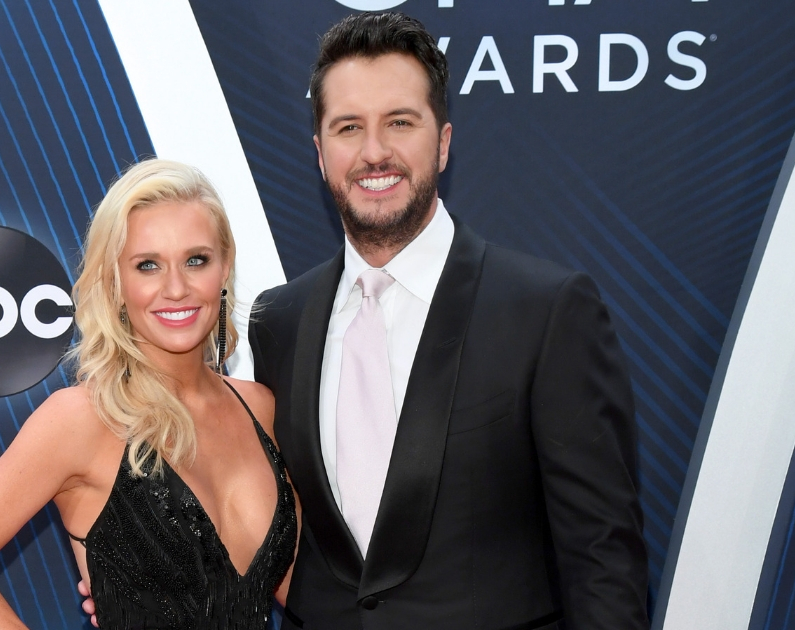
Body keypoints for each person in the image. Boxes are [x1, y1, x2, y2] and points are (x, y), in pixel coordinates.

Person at [246, 12, 651, 630]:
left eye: (400, 122)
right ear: (320, 153)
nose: (374, 150)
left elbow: (603, 560)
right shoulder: (279, 320)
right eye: (349, 127)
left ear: (442, 141)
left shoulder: (546, 311)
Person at [0, 159, 298, 630]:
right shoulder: (83, 419)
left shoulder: (261, 407)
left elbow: (303, 589)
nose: (176, 287)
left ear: (224, 271)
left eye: (196, 260)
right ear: (115, 283)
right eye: (147, 265)